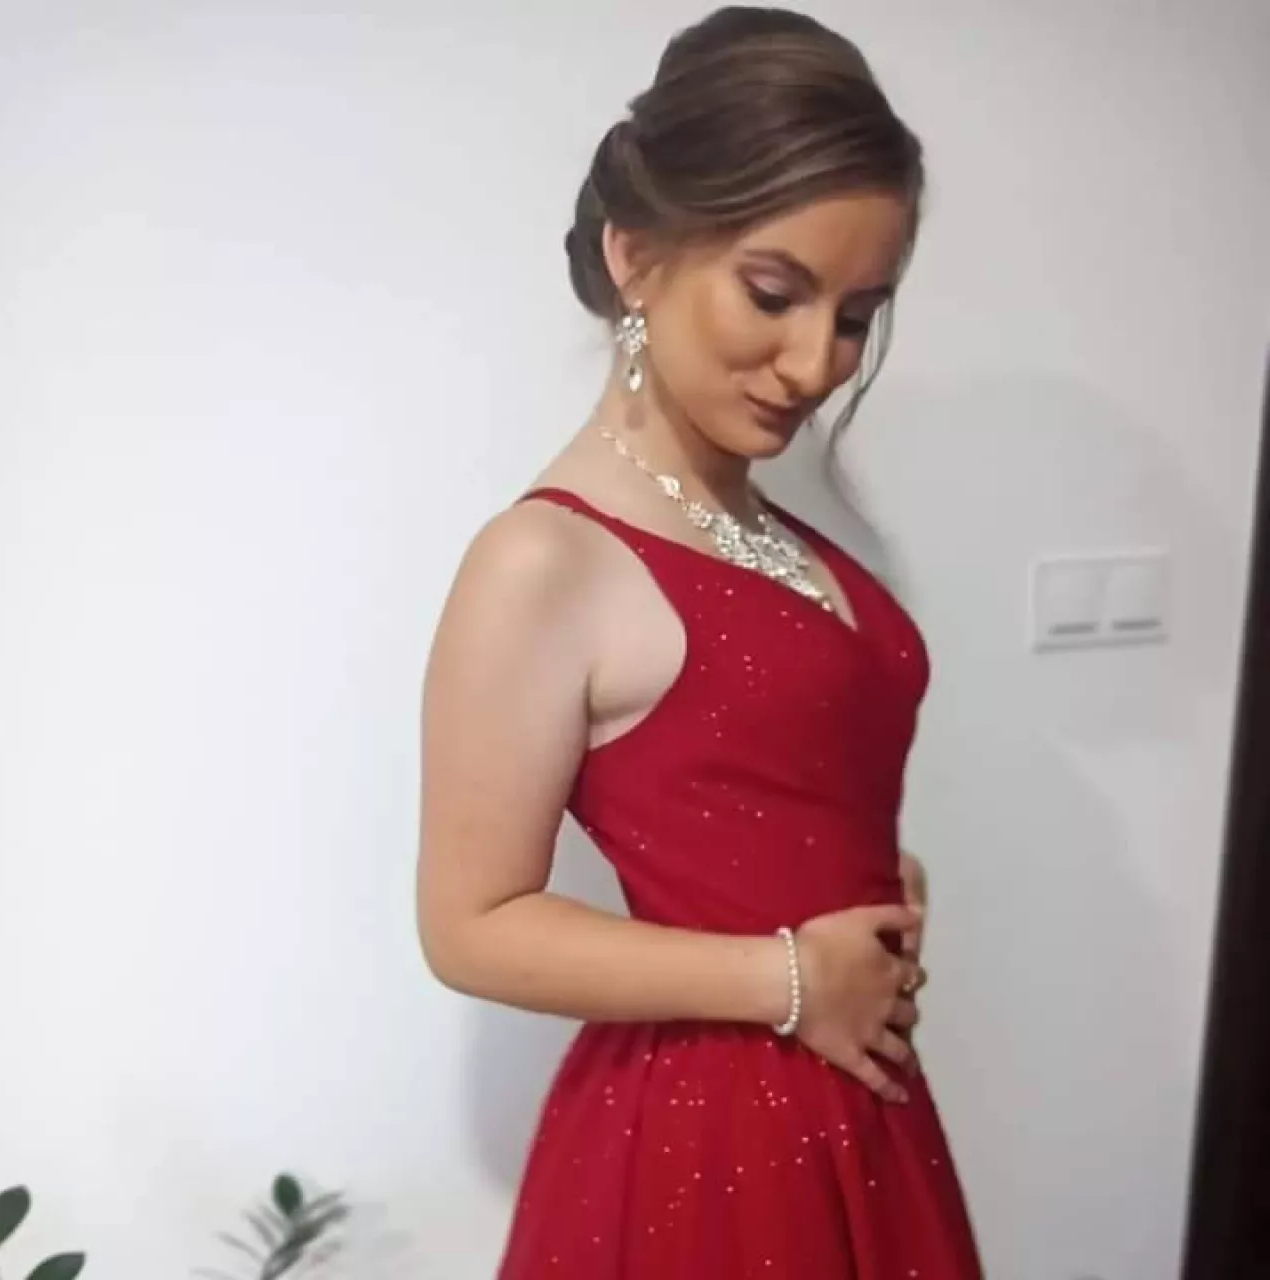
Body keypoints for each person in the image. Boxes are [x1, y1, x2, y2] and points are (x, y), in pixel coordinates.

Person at [417, 6, 982, 1276]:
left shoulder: (766, 528)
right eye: (772, 294)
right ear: (635, 255)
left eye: (856, 314)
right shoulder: (542, 560)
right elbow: (468, 920)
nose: (814, 361)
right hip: (707, 1136)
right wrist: (788, 974)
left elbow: (765, 781)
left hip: (856, 1096)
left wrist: (861, 881)